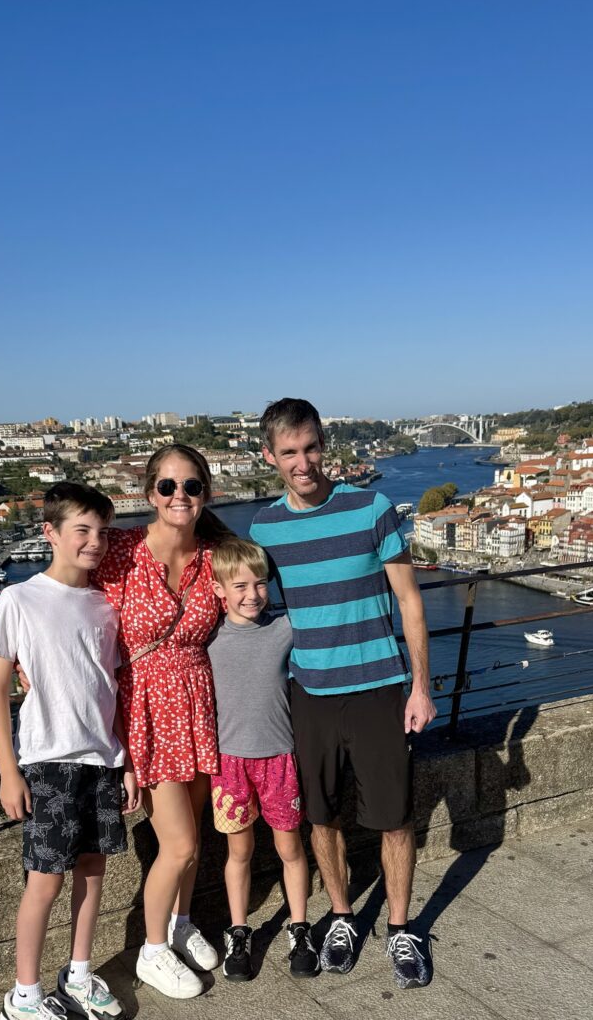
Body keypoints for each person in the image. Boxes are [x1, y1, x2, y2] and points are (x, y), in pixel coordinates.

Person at [250, 398, 436, 990]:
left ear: (323, 445)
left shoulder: (373, 507)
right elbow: (245, 603)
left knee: (395, 817)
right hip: (310, 691)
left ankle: (403, 927)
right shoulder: (264, 528)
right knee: (321, 815)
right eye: (289, 453)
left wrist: (421, 687)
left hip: (380, 686)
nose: (302, 462)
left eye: (310, 448)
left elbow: (409, 599)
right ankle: (342, 915)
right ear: (269, 456)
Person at [0, 482, 141, 1020]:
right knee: (45, 879)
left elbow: (109, 688)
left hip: (100, 757)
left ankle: (78, 971)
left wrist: (123, 761)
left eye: (102, 531)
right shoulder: (20, 598)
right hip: (48, 759)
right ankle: (23, 994)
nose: (94, 542)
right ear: (50, 533)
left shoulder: (106, 604)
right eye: (82, 530)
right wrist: (9, 772)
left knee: (93, 870)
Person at [93, 444, 228, 999]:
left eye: (191, 486)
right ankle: (151, 951)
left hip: (198, 704)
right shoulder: (121, 552)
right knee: (178, 845)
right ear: (150, 493)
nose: (180, 496)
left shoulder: (215, 556)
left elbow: (251, 603)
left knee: (192, 836)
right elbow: (65, 596)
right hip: (145, 710)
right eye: (168, 486)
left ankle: (180, 922)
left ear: (205, 494)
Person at [207, 537, 319, 982]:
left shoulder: (284, 629)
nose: (252, 594)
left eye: (260, 584)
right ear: (219, 590)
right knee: (240, 851)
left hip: (279, 758)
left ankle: (299, 926)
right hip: (229, 763)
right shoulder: (209, 639)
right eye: (239, 586)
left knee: (291, 848)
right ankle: (239, 930)